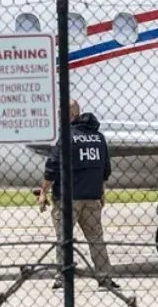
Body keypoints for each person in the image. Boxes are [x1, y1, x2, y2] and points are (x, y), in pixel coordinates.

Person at [38, 99, 119, 290]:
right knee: (96, 239)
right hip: (91, 197)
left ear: (70, 115)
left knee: (63, 239)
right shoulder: (98, 138)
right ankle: (104, 277)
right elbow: (105, 168)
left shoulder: (67, 137)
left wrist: (43, 192)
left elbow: (53, 167)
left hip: (68, 198)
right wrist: (101, 192)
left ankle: (63, 277)